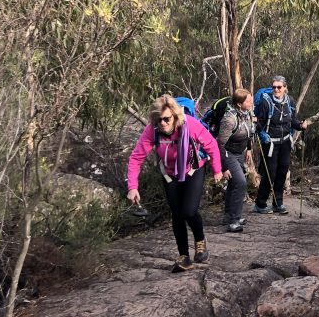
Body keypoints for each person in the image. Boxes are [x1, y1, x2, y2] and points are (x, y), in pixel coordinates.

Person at [126, 94, 223, 272]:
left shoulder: (190, 125)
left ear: (175, 116)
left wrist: (217, 170)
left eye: (166, 119)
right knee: (177, 214)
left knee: (189, 210)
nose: (162, 123)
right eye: (158, 119)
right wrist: (133, 186)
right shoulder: (152, 131)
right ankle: (184, 257)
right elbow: (136, 158)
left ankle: (200, 239)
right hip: (170, 173)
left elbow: (211, 145)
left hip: (193, 169)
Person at [253, 75, 308, 215]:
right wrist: (260, 132)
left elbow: (293, 121)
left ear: (285, 88)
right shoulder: (266, 103)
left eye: (279, 87)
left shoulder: (290, 101)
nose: (276, 89)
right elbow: (259, 123)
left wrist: (301, 125)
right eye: (274, 87)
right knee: (270, 173)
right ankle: (260, 204)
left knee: (282, 172)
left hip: (285, 142)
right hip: (270, 143)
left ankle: (278, 203)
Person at [217, 88, 256, 232]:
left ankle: (228, 215)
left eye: (251, 98)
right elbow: (219, 144)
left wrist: (250, 149)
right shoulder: (229, 118)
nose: (251, 101)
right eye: (248, 100)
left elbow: (250, 133)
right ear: (239, 104)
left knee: (234, 184)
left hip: (240, 153)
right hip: (228, 154)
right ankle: (234, 220)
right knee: (240, 183)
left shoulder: (248, 114)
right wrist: (224, 167)